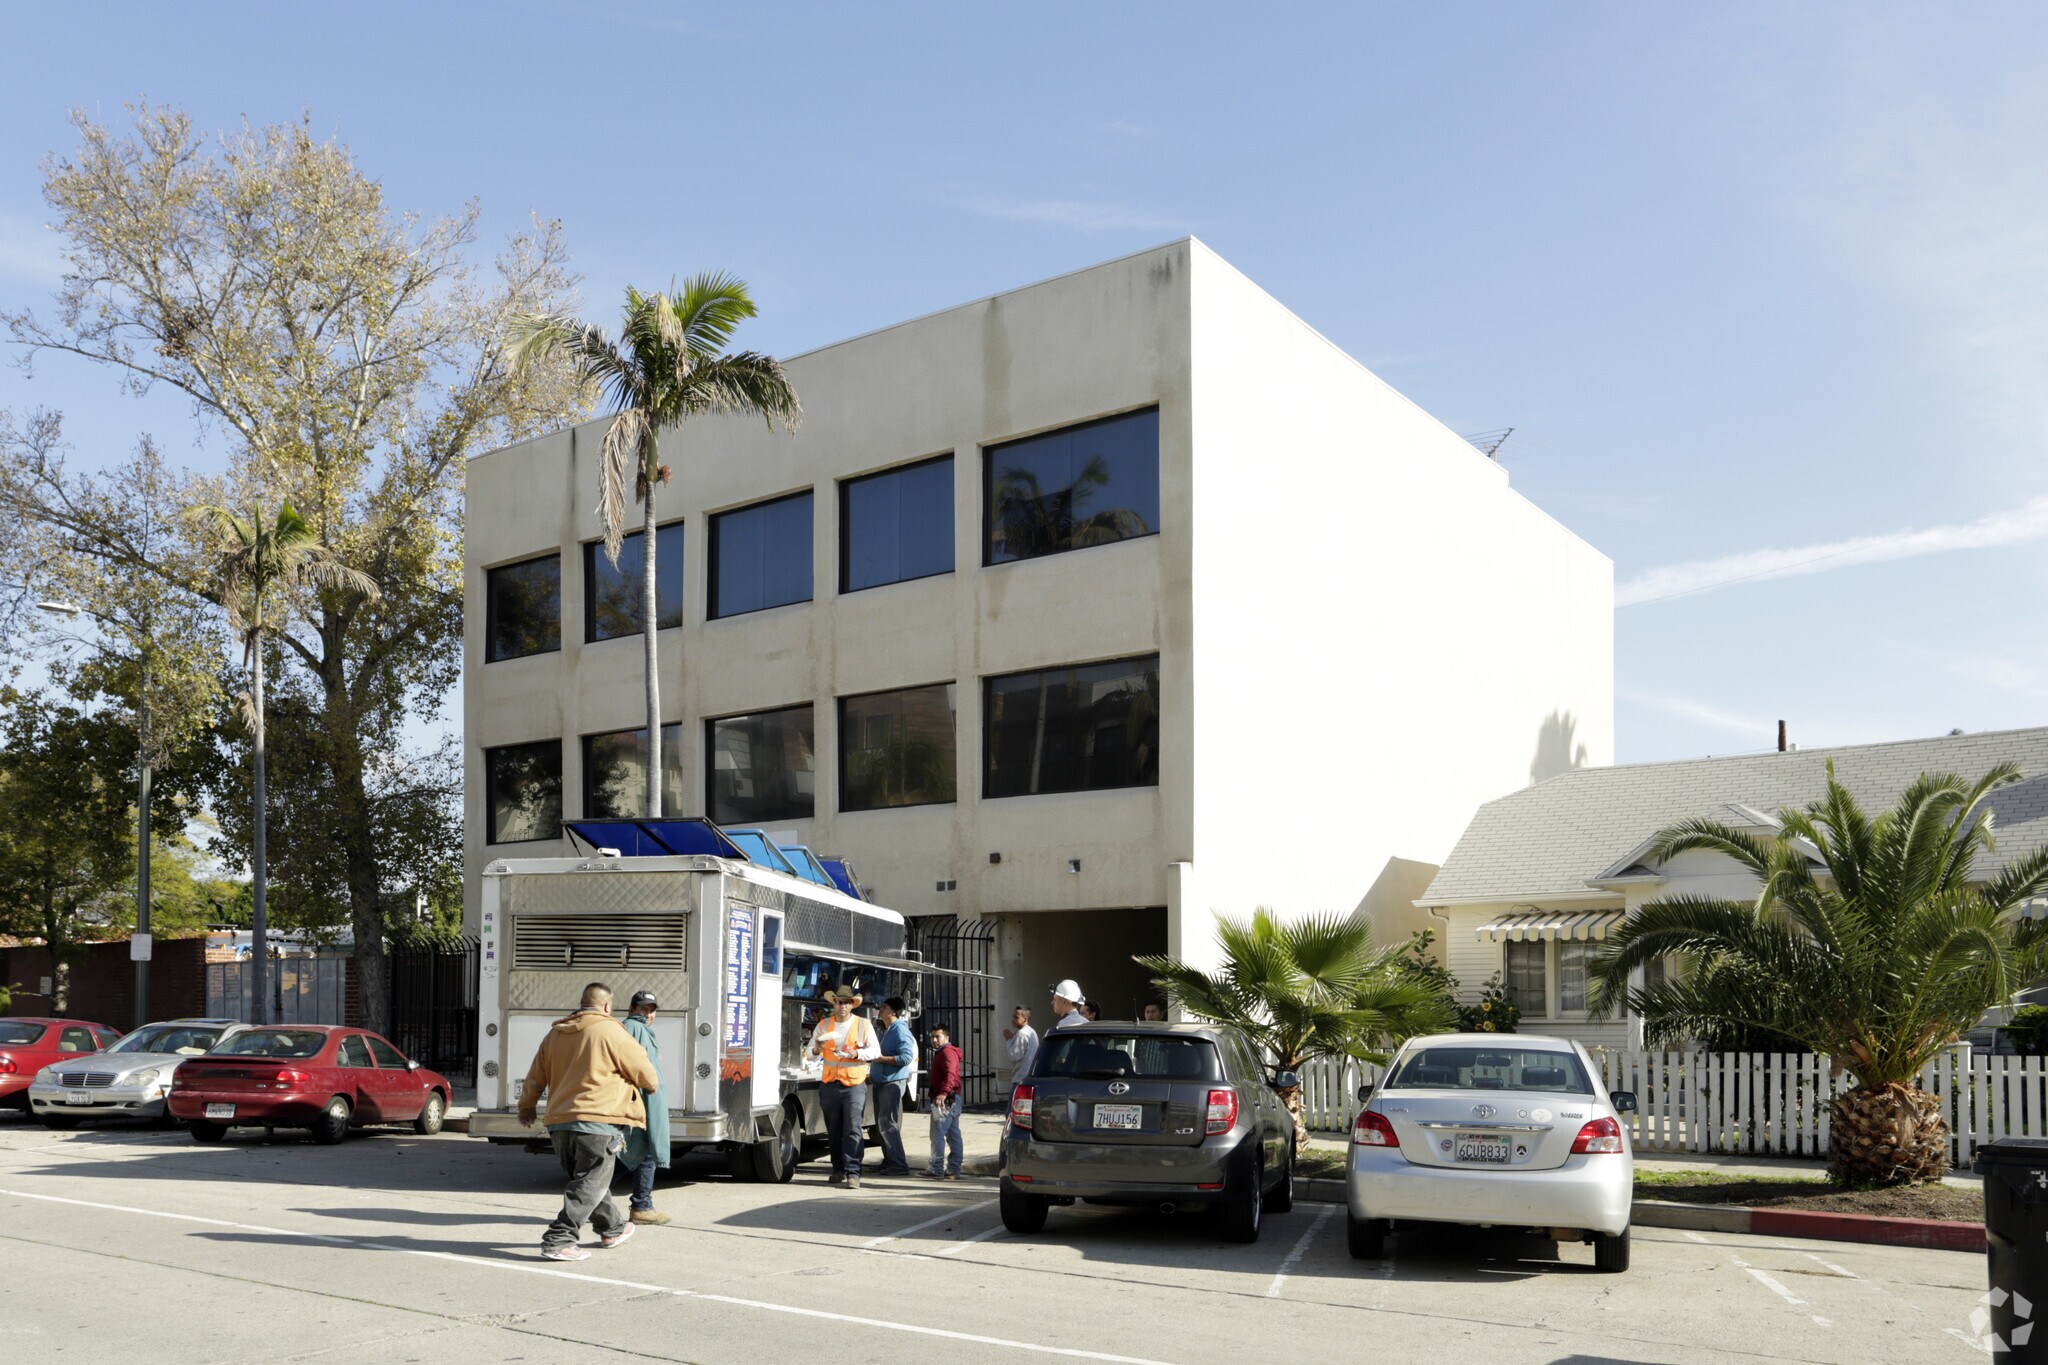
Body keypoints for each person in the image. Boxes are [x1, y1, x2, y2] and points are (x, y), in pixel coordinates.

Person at [518, 981, 659, 1262]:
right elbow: (647, 1076)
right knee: (590, 1184)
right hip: (599, 1121)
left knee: (589, 1182)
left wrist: (526, 1107)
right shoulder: (612, 1031)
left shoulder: (555, 1034)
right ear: (607, 1006)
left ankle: (612, 1228)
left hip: (560, 1123)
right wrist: (647, 1085)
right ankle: (559, 1238)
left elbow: (535, 1076)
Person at [809, 985, 879, 1188]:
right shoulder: (823, 1025)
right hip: (830, 1084)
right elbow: (809, 1054)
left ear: (852, 1005)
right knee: (833, 1130)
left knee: (853, 1129)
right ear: (834, 1004)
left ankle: (853, 1172)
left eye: (846, 1002)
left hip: (854, 1085)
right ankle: (838, 1169)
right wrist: (816, 1048)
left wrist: (857, 1054)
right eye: (839, 1002)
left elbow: (875, 1051)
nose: (842, 1006)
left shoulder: (863, 1025)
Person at [619, 991, 670, 1225]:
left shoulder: (638, 1029)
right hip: (637, 1104)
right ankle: (641, 1206)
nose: (647, 1014)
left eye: (651, 1010)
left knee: (633, 1153)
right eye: (643, 1009)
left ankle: (639, 1205)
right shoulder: (633, 1027)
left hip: (638, 1103)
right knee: (641, 1152)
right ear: (632, 1009)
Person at [868, 996, 917, 1177]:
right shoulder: (888, 1029)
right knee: (883, 1124)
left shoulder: (899, 1030)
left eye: (884, 1007)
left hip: (891, 1083)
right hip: (883, 1082)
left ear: (893, 1012)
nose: (880, 1009)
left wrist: (881, 1059)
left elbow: (906, 1057)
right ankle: (890, 1160)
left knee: (888, 1124)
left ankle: (898, 1164)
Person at [921, 1024, 964, 1179]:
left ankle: (936, 1167)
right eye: (932, 1036)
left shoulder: (946, 1052)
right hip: (950, 1099)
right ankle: (953, 1169)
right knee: (953, 1134)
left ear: (946, 1037)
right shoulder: (945, 1052)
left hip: (945, 1100)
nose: (934, 1040)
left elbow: (950, 1074)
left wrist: (943, 1093)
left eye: (937, 1036)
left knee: (937, 1134)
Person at [1003, 1005, 1039, 1082]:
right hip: (1029, 1076)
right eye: (1013, 1017)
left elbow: (1015, 1056)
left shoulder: (1022, 1033)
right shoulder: (1031, 1031)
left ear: (1025, 1019)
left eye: (1016, 1017)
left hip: (1021, 1078)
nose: (1013, 1020)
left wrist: (1009, 1040)